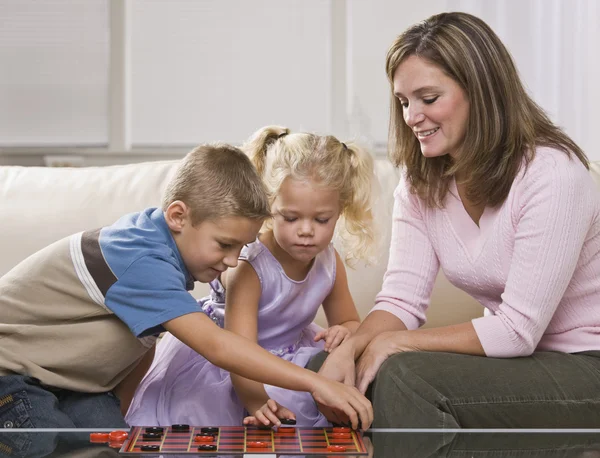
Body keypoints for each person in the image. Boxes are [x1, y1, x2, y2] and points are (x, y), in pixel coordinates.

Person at [309, 11, 600, 428]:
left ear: (481, 92)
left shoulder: (553, 175)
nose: (411, 117)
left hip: (584, 364)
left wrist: (396, 344)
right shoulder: (420, 182)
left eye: (428, 99)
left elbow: (518, 330)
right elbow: (401, 301)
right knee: (329, 368)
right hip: (518, 363)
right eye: (404, 102)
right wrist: (351, 348)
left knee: (406, 378)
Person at [0, 143, 372, 430]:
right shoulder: (138, 257)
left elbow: (139, 347)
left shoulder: (169, 256)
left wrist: (123, 416)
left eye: (240, 248)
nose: (231, 261)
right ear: (178, 216)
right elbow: (217, 344)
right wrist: (315, 384)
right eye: (225, 245)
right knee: (38, 435)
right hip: (10, 377)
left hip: (62, 385)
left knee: (108, 441)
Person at [126, 126, 377, 428]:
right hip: (235, 364)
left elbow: (349, 321)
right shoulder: (251, 266)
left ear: (340, 212)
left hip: (292, 354)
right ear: (270, 207)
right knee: (220, 421)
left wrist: (345, 332)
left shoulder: (328, 261)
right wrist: (255, 399)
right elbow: (237, 349)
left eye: (321, 219)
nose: (307, 230)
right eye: (291, 217)